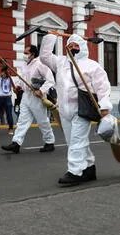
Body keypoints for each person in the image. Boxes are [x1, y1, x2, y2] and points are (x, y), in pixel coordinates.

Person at [40, 33, 112, 187]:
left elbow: (102, 87)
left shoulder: (92, 65)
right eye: (70, 45)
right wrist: (50, 36)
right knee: (72, 141)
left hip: (82, 109)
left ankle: (75, 171)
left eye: (76, 46)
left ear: (83, 47)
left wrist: (104, 106)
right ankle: (89, 168)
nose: (73, 48)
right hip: (63, 109)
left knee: (77, 141)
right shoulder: (60, 63)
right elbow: (45, 57)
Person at [1, 45, 56, 154]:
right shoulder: (24, 66)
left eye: (26, 53)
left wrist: (41, 90)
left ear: (33, 54)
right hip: (26, 96)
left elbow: (50, 80)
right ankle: (16, 143)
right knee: (22, 121)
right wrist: (18, 87)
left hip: (37, 97)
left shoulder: (40, 65)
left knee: (42, 121)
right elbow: (22, 80)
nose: (24, 55)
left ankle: (49, 142)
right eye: (24, 53)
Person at [0, 66, 15, 136]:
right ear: (1, 72)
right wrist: (0, 77)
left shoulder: (10, 78)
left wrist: (10, 77)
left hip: (7, 98)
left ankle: (10, 128)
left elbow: (15, 86)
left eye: (7, 72)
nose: (5, 74)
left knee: (9, 114)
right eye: (4, 72)